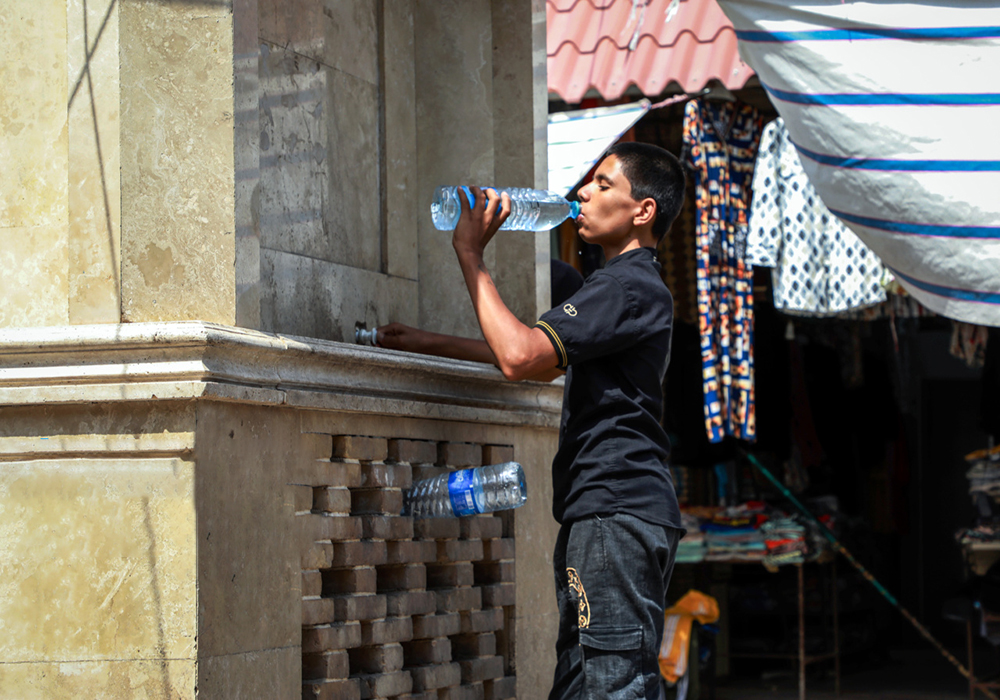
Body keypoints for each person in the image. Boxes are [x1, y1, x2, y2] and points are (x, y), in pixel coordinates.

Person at [382, 142, 685, 699]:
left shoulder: (626, 287)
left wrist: (470, 255)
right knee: (580, 683)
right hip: (605, 511)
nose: (583, 194)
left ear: (643, 211)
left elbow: (519, 357)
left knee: (613, 686)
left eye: (603, 185)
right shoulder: (615, 287)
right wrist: (428, 343)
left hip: (614, 507)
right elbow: (537, 360)